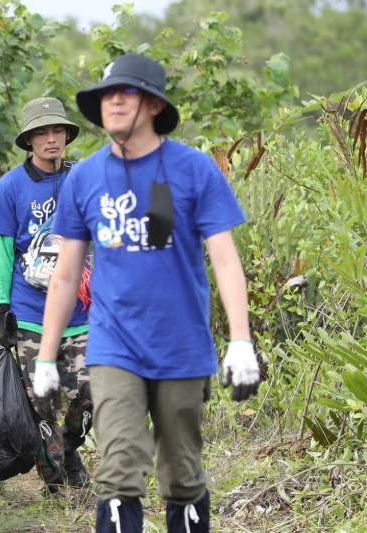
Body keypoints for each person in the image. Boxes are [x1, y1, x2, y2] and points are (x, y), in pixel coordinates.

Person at [32, 54, 261, 533]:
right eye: (106, 94)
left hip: (183, 347)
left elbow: (224, 258)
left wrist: (240, 341)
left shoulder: (193, 169)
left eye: (126, 92)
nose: (113, 101)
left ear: (154, 104)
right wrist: (46, 360)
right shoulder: (86, 177)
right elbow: (66, 275)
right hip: (115, 348)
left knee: (182, 475)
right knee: (118, 472)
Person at [0, 97, 92, 495]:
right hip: (30, 312)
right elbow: (2, 249)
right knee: (43, 403)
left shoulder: (83, 177)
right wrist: (1, 309)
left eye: (57, 131)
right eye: (42, 132)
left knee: (90, 390)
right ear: (29, 139)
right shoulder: (10, 186)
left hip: (82, 311)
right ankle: (58, 482)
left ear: (67, 134)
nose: (51, 139)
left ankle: (67, 448)